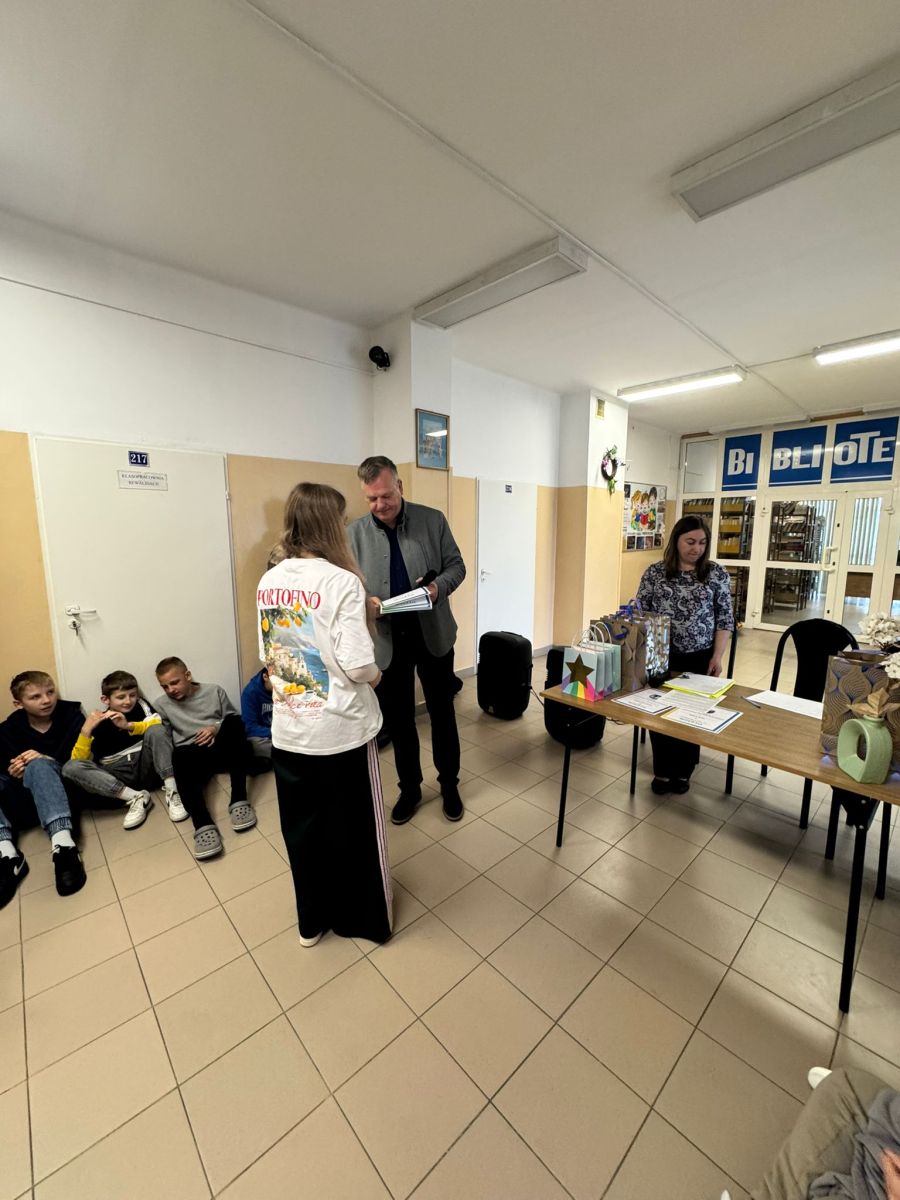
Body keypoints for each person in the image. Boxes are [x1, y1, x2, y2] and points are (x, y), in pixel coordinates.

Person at [257, 481, 392, 946]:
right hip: (341, 732)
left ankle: (311, 923)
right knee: (355, 831)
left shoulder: (270, 580)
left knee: (303, 831)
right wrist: (377, 676)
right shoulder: (342, 582)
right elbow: (356, 666)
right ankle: (364, 921)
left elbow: (271, 655)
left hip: (291, 731)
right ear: (330, 525)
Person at [347, 455, 466, 826]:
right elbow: (347, 587)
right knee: (399, 721)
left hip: (432, 633)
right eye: (371, 499)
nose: (379, 505)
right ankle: (410, 789)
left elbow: (457, 567)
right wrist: (365, 602)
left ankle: (449, 785)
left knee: (442, 713)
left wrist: (437, 588)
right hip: (387, 640)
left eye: (386, 495)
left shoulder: (433, 520)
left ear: (399, 486)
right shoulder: (353, 534)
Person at [636, 515, 733, 795]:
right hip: (660, 654)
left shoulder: (715, 573)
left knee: (691, 712)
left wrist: (717, 656)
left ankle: (684, 771)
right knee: (660, 711)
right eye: (690, 542)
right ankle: (662, 769)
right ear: (676, 540)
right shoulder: (655, 573)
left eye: (702, 543)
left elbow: (725, 618)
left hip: (699, 655)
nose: (696, 549)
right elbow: (641, 612)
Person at [153, 658, 256, 860]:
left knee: (235, 723)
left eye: (174, 682)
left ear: (188, 676)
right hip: (192, 754)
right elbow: (160, 737)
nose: (171, 690)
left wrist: (214, 728)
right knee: (179, 755)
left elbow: (231, 718)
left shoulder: (213, 691)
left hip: (219, 745)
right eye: (165, 686)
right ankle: (202, 824)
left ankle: (239, 800)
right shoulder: (161, 705)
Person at [0, 671, 86, 906]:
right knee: (26, 769)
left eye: (50, 692)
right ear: (19, 704)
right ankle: (7, 854)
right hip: (23, 799)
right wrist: (14, 770)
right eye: (35, 697)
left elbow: (81, 760)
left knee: (38, 765)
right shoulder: (9, 728)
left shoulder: (71, 715)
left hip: (63, 793)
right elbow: (7, 765)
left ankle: (64, 847)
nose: (46, 700)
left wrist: (45, 759)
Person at [62, 669, 187, 829]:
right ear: (105, 699)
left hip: (146, 766)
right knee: (69, 767)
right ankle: (136, 797)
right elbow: (79, 762)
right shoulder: (98, 720)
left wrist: (128, 726)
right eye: (121, 697)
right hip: (117, 776)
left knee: (157, 730)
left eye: (132, 695)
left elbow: (158, 726)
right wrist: (85, 731)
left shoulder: (141, 705)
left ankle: (173, 791)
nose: (128, 701)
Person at [240, 666, 273, 765]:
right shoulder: (250, 692)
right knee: (253, 745)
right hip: (262, 736)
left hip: (282, 733)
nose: (281, 685)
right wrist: (275, 732)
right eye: (277, 681)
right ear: (265, 677)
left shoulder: (286, 689)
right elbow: (250, 728)